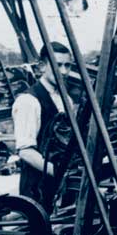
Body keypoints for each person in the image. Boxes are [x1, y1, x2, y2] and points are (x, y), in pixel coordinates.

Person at [13, 42, 73, 209]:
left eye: (68, 65)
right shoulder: (28, 101)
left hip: (61, 186)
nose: (64, 71)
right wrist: (60, 173)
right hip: (36, 189)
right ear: (41, 66)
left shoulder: (66, 99)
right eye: (57, 65)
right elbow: (25, 152)